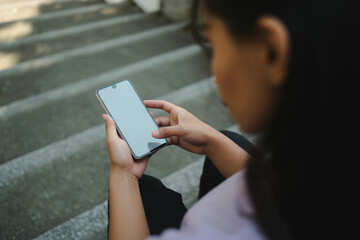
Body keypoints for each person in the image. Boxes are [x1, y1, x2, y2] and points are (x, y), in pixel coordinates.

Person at [102, 0, 359, 239]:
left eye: (213, 44)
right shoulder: (331, 168)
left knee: (145, 191)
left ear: (270, 52)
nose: (214, 72)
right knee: (228, 138)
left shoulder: (223, 230)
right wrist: (211, 142)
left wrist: (123, 174)